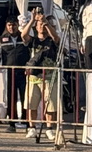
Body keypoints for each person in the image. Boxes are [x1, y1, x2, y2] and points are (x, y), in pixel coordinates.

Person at [22, 14, 62, 142]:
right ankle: (32, 127)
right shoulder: (33, 40)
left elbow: (56, 37)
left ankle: (49, 128)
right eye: (40, 25)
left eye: (43, 25)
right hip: (34, 76)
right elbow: (23, 35)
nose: (42, 27)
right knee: (31, 104)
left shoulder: (52, 41)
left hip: (49, 77)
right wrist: (33, 20)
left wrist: (46, 23)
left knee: (50, 105)